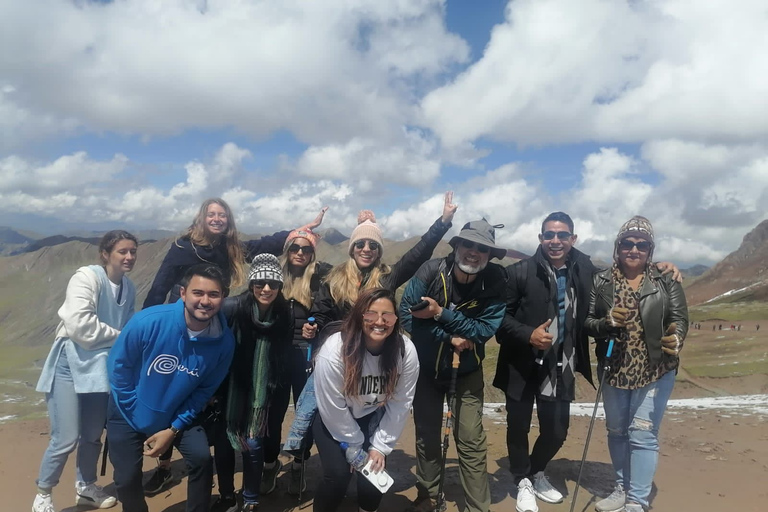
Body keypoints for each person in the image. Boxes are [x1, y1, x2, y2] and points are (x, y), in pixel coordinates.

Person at [492, 212, 681, 512]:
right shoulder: (519, 272)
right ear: (540, 238)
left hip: (563, 363)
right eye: (550, 235)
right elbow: (499, 320)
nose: (556, 241)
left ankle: (534, 470)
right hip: (522, 363)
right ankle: (521, 480)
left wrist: (660, 266)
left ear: (572, 239)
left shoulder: (584, 269)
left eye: (562, 235)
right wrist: (528, 334)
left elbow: (625, 270)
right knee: (518, 427)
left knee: (556, 431)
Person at [141, 198, 325, 493]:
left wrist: (296, 231)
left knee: (209, 396)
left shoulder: (230, 248)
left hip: (215, 321)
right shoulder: (183, 247)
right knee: (176, 392)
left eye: (222, 215)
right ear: (202, 217)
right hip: (185, 326)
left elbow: (263, 245)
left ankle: (218, 463)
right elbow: (160, 285)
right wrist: (147, 323)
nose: (217, 219)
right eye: (212, 214)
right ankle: (164, 465)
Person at [106, 264, 235, 512]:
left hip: (176, 413)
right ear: (183, 293)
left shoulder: (224, 343)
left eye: (214, 294)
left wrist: (173, 428)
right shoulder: (148, 322)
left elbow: (203, 392)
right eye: (198, 293)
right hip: (127, 409)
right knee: (126, 478)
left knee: (200, 459)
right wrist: (137, 412)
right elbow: (118, 368)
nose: (205, 301)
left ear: (223, 298)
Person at [400, 219, 507, 512]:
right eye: (468, 244)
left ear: (490, 254)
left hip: (467, 373)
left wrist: (441, 314)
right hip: (427, 372)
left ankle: (477, 506)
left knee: (471, 441)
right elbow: (407, 316)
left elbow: (485, 330)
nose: (474, 252)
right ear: (457, 245)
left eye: (482, 248)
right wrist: (451, 338)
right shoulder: (431, 271)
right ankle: (428, 495)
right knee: (426, 437)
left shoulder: (496, 280)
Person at [585, 216, 688, 512]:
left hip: (656, 369)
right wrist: (605, 323)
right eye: (627, 243)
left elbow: (679, 318)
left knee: (642, 434)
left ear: (650, 249)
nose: (634, 249)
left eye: (641, 245)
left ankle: (636, 502)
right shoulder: (600, 280)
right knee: (617, 432)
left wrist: (677, 337)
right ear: (618, 247)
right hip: (613, 368)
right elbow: (588, 322)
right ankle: (622, 486)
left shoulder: (666, 279)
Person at [33, 230, 138, 512]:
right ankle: (43, 493)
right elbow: (80, 326)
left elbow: (128, 329)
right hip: (69, 364)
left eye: (133, 252)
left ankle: (86, 486)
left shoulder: (129, 288)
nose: (129, 257)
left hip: (99, 369)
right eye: (122, 252)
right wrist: (118, 337)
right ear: (105, 254)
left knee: (92, 435)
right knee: (65, 437)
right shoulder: (86, 278)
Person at [313, 288, 420, 512]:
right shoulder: (334, 350)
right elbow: (332, 406)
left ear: (396, 319)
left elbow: (401, 402)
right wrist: (354, 444)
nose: (379, 322)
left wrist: (380, 447)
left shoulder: (404, 351)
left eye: (387, 316)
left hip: (372, 416)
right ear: (359, 316)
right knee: (338, 477)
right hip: (333, 418)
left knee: (373, 480)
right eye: (370, 315)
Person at [211, 254, 293, 512]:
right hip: (229, 388)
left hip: (261, 393)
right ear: (251, 284)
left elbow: (282, 353)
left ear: (280, 286)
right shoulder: (232, 308)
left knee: (254, 444)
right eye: (260, 283)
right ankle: (226, 496)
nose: (266, 288)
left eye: (272, 283)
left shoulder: (283, 314)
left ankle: (250, 499)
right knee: (225, 444)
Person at [310, 192, 457, 329]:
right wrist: (315, 326)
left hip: (379, 348)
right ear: (352, 249)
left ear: (379, 251)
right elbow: (322, 313)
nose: (366, 249)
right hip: (343, 349)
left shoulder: (387, 276)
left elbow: (418, 254)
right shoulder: (334, 277)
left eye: (373, 245)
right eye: (360, 244)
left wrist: (442, 223)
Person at [259, 226, 332, 497]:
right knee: (272, 414)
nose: (300, 253)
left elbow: (324, 312)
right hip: (276, 357)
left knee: (305, 414)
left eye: (306, 249)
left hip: (306, 357)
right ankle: (270, 462)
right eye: (295, 247)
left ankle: (299, 463)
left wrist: (317, 327)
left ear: (313, 253)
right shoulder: (273, 279)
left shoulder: (319, 280)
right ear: (286, 250)